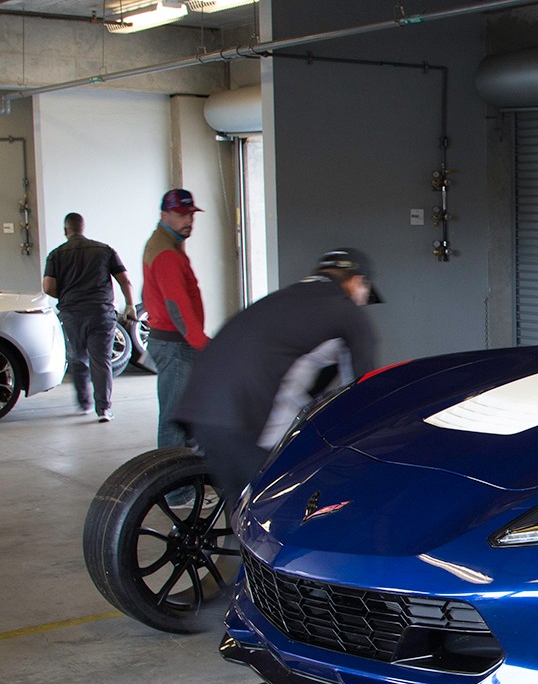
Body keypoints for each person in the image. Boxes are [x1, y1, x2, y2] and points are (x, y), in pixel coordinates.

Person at [174, 247, 383, 499]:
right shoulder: (348, 314)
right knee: (296, 505)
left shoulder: (280, 300)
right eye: (365, 293)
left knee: (240, 507)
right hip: (248, 423)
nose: (363, 301)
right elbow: (362, 394)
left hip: (198, 411)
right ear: (357, 282)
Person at [42, 212, 135, 421]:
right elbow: (125, 280)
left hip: (72, 314)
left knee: (77, 356)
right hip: (101, 312)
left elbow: (48, 286)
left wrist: (65, 295)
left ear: (66, 231)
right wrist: (130, 305)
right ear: (83, 228)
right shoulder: (104, 250)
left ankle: (84, 403)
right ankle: (103, 409)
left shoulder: (56, 254)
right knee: (101, 360)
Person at [142, 188, 210, 449]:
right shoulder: (167, 254)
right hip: (176, 346)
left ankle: (188, 479)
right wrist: (201, 343)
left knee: (188, 416)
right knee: (174, 420)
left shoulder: (165, 244)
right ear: (164, 215)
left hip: (174, 342)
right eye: (181, 215)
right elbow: (177, 306)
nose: (188, 221)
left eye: (191, 214)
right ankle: (177, 491)